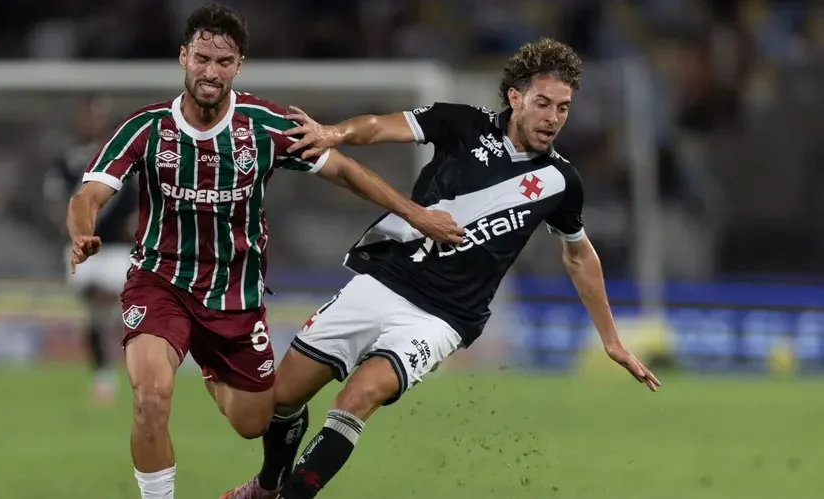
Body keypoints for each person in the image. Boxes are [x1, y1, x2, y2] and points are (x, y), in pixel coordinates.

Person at [221, 37, 661, 499]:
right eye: (543, 103)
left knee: (359, 396)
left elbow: (579, 254)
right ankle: (267, 486)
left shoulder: (561, 181)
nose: (553, 117)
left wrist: (611, 339)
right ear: (516, 98)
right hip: (386, 280)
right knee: (282, 398)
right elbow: (379, 126)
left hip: (444, 317)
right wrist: (335, 132)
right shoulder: (462, 123)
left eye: (563, 108)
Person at [65, 4, 464, 499]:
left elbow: (342, 170)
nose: (211, 72)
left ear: (239, 65)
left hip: (233, 296)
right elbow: (88, 195)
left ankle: (214, 370)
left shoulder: (263, 125)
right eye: (202, 59)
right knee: (151, 396)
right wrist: (81, 232)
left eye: (223, 62)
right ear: (184, 57)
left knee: (254, 422)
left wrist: (415, 214)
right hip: (159, 281)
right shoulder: (146, 127)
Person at [44, 95, 135, 404]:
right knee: (97, 307)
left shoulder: (124, 157)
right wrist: (65, 223)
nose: (92, 122)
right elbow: (55, 198)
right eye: (88, 116)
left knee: (111, 303)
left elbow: (141, 197)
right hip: (83, 248)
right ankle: (103, 374)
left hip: (117, 249)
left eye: (97, 116)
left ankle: (117, 370)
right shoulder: (68, 158)